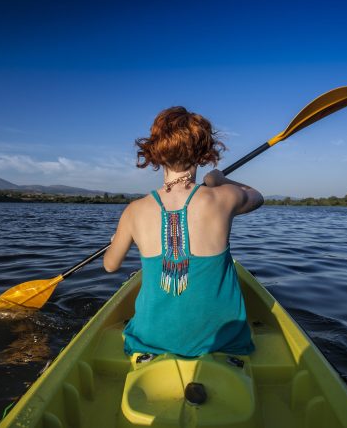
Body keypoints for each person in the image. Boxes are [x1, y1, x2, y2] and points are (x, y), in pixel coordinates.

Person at [103, 106, 264, 358]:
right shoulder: (224, 198)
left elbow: (110, 266)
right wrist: (221, 180)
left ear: (155, 153)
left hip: (150, 342)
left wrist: (118, 240)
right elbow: (257, 197)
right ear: (203, 154)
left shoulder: (133, 211)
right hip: (224, 343)